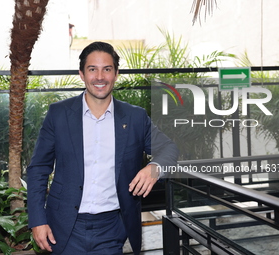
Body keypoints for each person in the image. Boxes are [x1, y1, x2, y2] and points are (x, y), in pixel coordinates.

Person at [27, 41, 178, 255]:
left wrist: (153, 168)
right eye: (92, 69)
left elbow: (170, 149)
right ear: (82, 73)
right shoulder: (58, 114)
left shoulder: (135, 117)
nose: (100, 77)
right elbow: (38, 168)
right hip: (63, 226)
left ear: (116, 74)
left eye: (107, 69)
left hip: (112, 229)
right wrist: (37, 220)